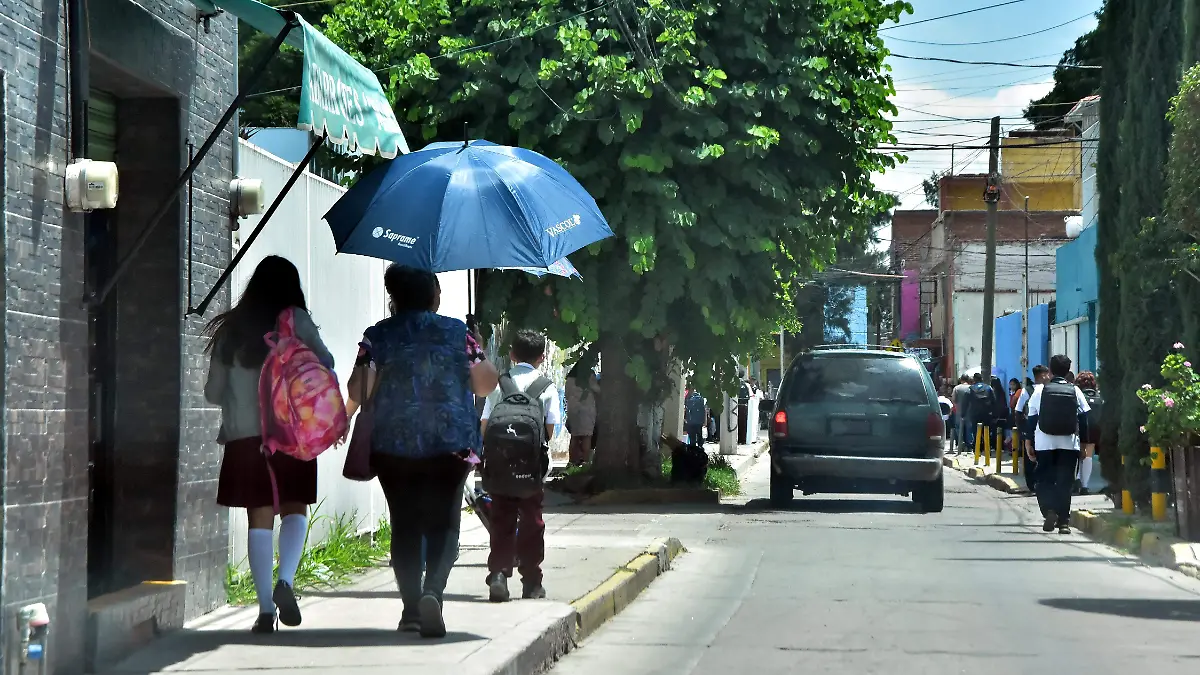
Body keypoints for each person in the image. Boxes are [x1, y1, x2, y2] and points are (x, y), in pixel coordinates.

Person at [345, 265, 498, 638]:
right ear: (434, 296)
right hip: (451, 444)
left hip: (393, 444)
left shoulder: (378, 335)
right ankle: (433, 593)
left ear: (394, 297)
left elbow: (359, 389)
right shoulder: (459, 334)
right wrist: (477, 347)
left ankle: (411, 610)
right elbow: (485, 385)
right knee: (445, 521)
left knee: (405, 523)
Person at [204, 255, 335, 634]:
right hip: (292, 433)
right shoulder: (295, 321)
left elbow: (213, 392)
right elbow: (326, 363)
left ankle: (264, 612)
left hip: (245, 438)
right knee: (295, 510)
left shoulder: (230, 329)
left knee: (258, 518)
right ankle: (286, 581)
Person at [480, 330, 562, 603]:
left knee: (501, 519)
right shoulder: (546, 387)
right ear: (542, 357)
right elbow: (549, 432)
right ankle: (532, 583)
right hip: (532, 470)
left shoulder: (499, 385)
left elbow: (485, 426)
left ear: (512, 354)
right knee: (532, 522)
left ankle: (499, 574)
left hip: (500, 468)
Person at [1027, 354, 1093, 533]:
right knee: (1065, 482)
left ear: (1050, 370)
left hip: (1044, 443)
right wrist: (1085, 445)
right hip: (1069, 444)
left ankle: (1049, 510)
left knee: (1043, 479)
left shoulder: (1040, 391)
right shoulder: (1075, 390)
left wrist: (1028, 442)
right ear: (1068, 371)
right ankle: (1064, 523)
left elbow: (1031, 419)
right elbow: (1084, 419)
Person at [564, 363, 599, 465]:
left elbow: (566, 394)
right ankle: (586, 462)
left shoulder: (569, 378)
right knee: (587, 436)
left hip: (573, 409)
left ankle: (571, 462)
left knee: (574, 436)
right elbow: (597, 389)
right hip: (587, 409)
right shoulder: (589, 375)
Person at [1075, 371, 1103, 495]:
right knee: (1088, 456)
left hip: (1081, 428)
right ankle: (1085, 486)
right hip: (1095, 430)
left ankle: (1077, 480)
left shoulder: (1079, 395)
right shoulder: (1098, 396)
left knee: (1079, 455)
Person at [965, 373, 995, 451]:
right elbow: (994, 401)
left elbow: (966, 402)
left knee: (975, 431)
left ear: (974, 380)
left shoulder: (970, 389)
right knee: (986, 430)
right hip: (986, 413)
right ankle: (987, 447)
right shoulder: (988, 388)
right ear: (981, 379)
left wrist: (963, 414)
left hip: (974, 413)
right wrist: (993, 412)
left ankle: (977, 447)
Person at [951, 375, 972, 452]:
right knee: (969, 429)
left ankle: (961, 443)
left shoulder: (956, 388)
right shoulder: (971, 388)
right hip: (969, 412)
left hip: (959, 411)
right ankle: (969, 446)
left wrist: (957, 406)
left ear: (961, 380)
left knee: (959, 428)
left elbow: (953, 399)